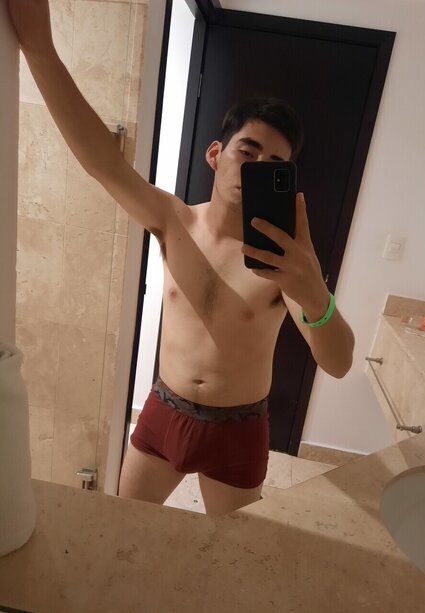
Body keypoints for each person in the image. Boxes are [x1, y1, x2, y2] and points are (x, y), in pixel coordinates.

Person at [8, 0, 354, 517]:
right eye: (248, 152)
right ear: (216, 154)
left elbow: (339, 362)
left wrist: (316, 295)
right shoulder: (174, 221)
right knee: (124, 532)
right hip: (164, 412)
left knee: (229, 555)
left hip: (239, 429)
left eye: (274, 164)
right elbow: (104, 164)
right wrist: (40, 51)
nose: (256, 168)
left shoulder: (285, 261)